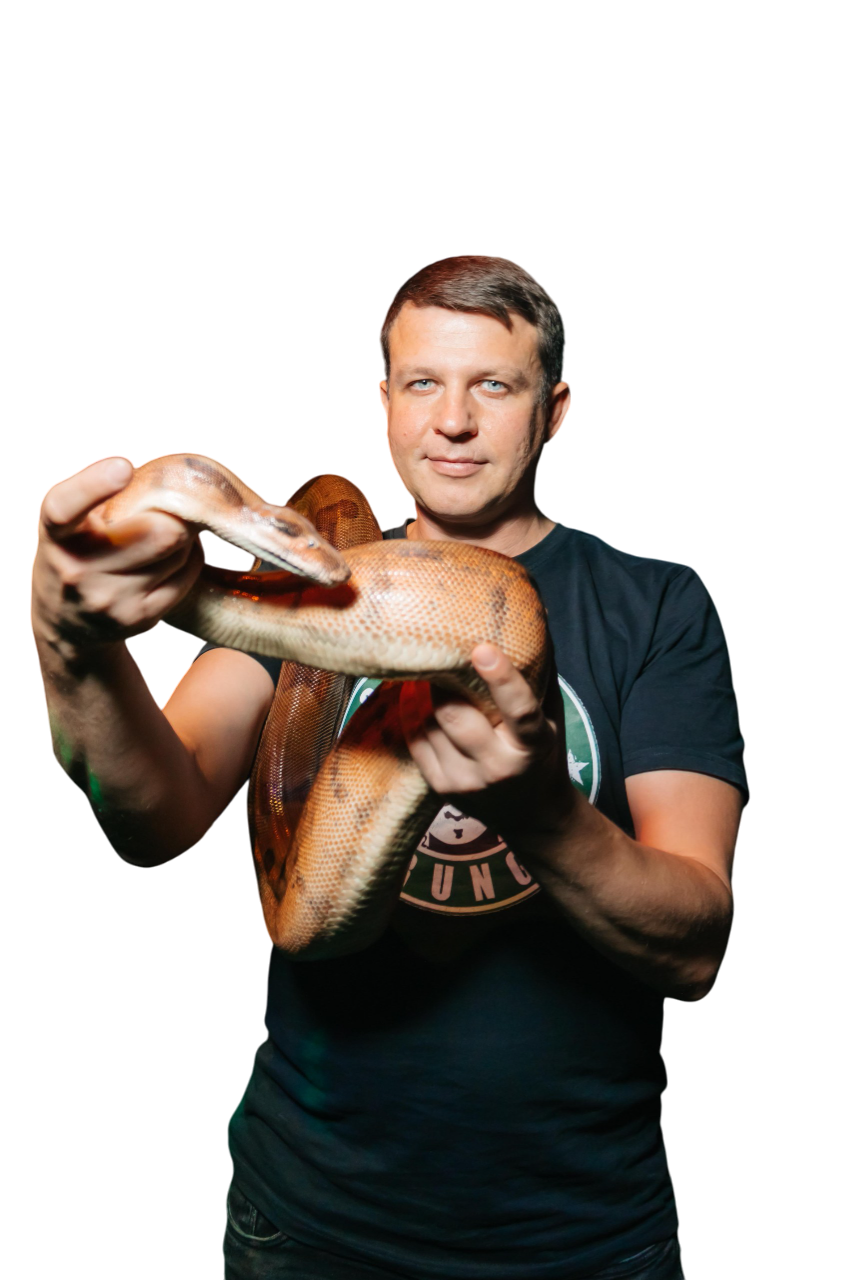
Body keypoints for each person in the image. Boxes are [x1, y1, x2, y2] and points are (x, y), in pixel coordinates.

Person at [31, 255, 747, 1280]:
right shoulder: (308, 583)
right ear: (384, 402)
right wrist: (72, 645)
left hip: (582, 1233)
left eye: (492, 384)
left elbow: (696, 948)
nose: (451, 420)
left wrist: (541, 810)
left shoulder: (657, 605)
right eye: (422, 382)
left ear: (552, 410)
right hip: (307, 1221)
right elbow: (153, 816)